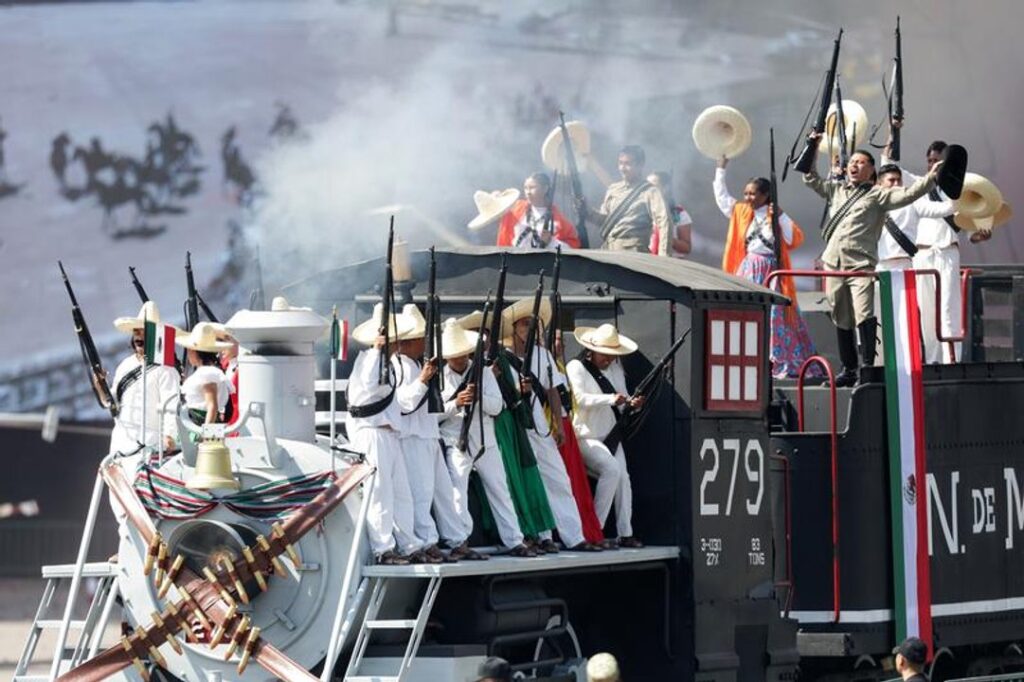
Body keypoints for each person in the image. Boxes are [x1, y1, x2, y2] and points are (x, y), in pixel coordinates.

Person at [802, 136, 942, 386]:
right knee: (839, 315)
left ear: (871, 170)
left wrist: (931, 177)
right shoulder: (836, 190)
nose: (854, 165)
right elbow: (809, 177)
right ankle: (849, 369)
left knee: (864, 314)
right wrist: (813, 145)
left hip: (860, 265)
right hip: (833, 265)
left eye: (861, 162)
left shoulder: (878, 195)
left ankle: (867, 369)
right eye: (852, 162)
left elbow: (908, 195)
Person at [502, 298, 600, 552]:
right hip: (516, 429)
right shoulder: (502, 358)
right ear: (513, 328)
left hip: (540, 427)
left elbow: (553, 390)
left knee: (559, 480)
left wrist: (557, 422)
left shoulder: (542, 354)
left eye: (531, 324)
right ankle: (541, 535)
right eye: (524, 324)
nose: (529, 329)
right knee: (527, 483)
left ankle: (574, 536)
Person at [458, 310, 558, 553]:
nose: (482, 341)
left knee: (522, 479)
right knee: (503, 482)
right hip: (489, 428)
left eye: (485, 336)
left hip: (509, 423)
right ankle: (514, 535)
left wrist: (519, 389)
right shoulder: (469, 367)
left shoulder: (503, 359)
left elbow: (506, 398)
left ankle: (534, 533)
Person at [438, 318, 535, 557]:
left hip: (485, 440)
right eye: (453, 355)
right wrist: (456, 403)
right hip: (456, 440)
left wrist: (478, 396)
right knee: (457, 492)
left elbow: (497, 407)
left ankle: (514, 540)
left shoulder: (483, 373)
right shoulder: (439, 377)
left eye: (462, 354)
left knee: (500, 490)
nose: (459, 360)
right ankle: (458, 542)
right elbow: (434, 414)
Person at [715, 157, 817, 378]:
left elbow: (793, 239)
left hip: (772, 273)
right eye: (746, 194)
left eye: (753, 194)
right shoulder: (742, 213)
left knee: (776, 315)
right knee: (746, 314)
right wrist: (720, 170)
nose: (748, 198)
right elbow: (723, 199)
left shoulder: (776, 216)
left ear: (765, 195)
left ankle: (776, 360)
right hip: (748, 270)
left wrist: (780, 215)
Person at [345, 303, 427, 566]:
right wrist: (378, 349)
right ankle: (384, 549)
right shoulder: (368, 359)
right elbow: (370, 382)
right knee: (379, 493)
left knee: (401, 493)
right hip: (372, 433)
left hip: (389, 434)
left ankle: (408, 545)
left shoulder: (388, 364)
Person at [394, 304, 477, 561]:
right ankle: (426, 542)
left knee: (442, 490)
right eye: (421, 338)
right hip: (412, 436)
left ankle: (457, 539)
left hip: (429, 433)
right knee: (422, 493)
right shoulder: (397, 365)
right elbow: (403, 403)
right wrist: (422, 380)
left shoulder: (416, 363)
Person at [883, 127, 973, 363]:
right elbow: (889, 165)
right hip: (921, 255)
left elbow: (972, 226)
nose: (932, 164)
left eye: (937, 161)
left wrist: (978, 236)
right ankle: (933, 360)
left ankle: (951, 359)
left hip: (946, 253)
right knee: (926, 311)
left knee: (948, 309)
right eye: (930, 160)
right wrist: (893, 132)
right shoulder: (918, 183)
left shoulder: (960, 191)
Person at [566, 324, 643, 548]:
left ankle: (625, 532)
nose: (608, 360)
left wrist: (633, 404)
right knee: (611, 469)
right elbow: (580, 399)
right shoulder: (576, 367)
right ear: (592, 350)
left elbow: (623, 400)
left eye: (611, 356)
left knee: (623, 479)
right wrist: (611, 399)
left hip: (611, 435)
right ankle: (595, 530)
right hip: (585, 436)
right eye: (604, 355)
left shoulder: (616, 370)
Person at [107, 301, 180, 457]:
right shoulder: (125, 365)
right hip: (121, 444)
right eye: (136, 331)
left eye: (144, 331)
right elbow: (112, 402)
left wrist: (170, 436)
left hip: (149, 446)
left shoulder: (166, 369)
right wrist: (100, 387)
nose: (139, 335)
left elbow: (172, 406)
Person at [582, 145, 672, 254]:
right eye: (620, 163)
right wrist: (586, 211)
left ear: (640, 165)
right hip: (609, 251)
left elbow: (664, 221)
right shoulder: (613, 189)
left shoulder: (650, 192)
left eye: (627, 164)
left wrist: (664, 257)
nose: (622, 168)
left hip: (633, 253)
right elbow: (604, 221)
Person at [874, 164, 954, 273]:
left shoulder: (912, 202)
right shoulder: (872, 203)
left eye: (899, 180)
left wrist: (961, 199)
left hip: (904, 264)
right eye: (891, 180)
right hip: (880, 265)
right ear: (880, 183)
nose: (896, 184)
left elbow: (942, 209)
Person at [497, 172, 581, 249]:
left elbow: (573, 246)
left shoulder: (557, 219)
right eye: (526, 188)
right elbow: (500, 206)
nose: (528, 192)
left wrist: (551, 242)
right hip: (514, 261)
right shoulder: (516, 208)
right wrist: (497, 198)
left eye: (532, 187)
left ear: (545, 189)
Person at [177, 322, 235, 426]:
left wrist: (206, 436)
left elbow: (212, 406)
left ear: (194, 351)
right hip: (194, 423)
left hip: (200, 425)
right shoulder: (206, 372)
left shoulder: (208, 373)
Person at [647, 171, 692, 257]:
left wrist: (666, 237)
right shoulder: (639, 210)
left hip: (669, 264)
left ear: (666, 188)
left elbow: (686, 248)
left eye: (653, 186)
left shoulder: (678, 213)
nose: (649, 190)